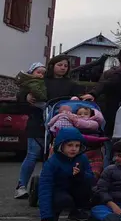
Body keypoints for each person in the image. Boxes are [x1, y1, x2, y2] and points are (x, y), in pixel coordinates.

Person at [16, 55, 84, 199]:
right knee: (32, 154)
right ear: (53, 65)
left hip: (61, 125)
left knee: (56, 155)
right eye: (60, 65)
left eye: (65, 66)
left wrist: (78, 99)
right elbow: (23, 91)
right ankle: (21, 186)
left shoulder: (72, 84)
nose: (63, 68)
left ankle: (55, 185)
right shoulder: (41, 80)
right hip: (38, 124)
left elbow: (79, 100)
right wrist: (26, 97)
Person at [37, 128, 93, 221]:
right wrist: (46, 216)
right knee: (63, 199)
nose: (74, 149)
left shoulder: (82, 158)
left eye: (77, 145)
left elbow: (91, 179)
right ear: (61, 145)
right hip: (58, 191)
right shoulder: (52, 162)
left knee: (89, 188)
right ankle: (54, 212)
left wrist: (80, 175)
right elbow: (45, 187)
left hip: (75, 189)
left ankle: (77, 211)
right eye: (70, 145)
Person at [48, 105, 107, 181]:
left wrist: (75, 120)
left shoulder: (93, 122)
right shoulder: (72, 121)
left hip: (91, 146)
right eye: (80, 114)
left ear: (91, 115)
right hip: (76, 144)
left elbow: (85, 125)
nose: (82, 115)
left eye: (85, 114)